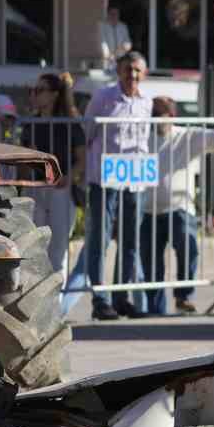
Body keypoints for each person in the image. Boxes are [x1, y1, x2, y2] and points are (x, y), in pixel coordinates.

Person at [139, 96, 214, 316]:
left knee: (188, 249)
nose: (155, 120)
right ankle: (156, 310)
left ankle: (184, 297)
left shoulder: (187, 135)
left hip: (180, 208)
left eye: (159, 115)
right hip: (148, 211)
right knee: (151, 263)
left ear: (172, 116)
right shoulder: (142, 138)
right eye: (152, 115)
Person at [80, 52, 152, 320]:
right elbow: (87, 134)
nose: (132, 75)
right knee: (99, 240)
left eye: (136, 71)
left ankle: (122, 297)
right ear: (118, 71)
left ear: (143, 74)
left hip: (135, 180)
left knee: (131, 240)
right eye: (127, 69)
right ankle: (100, 299)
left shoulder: (147, 101)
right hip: (104, 180)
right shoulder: (103, 96)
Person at [22, 72, 86, 287]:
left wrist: (69, 177)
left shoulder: (70, 123)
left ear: (54, 95)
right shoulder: (30, 123)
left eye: (40, 91)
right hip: (36, 188)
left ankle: (56, 306)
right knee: (35, 247)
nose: (34, 95)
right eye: (33, 90)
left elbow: (82, 159)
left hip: (61, 190)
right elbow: (26, 157)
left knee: (58, 248)